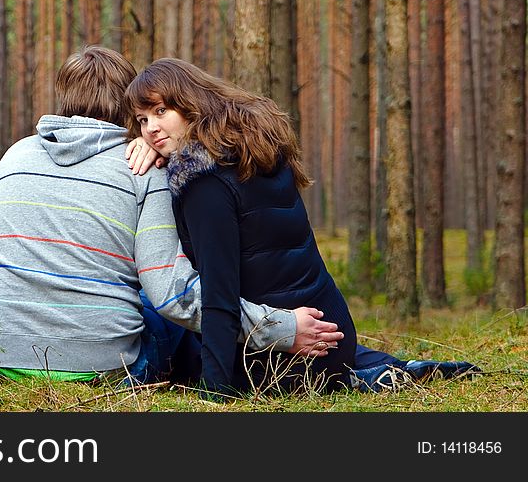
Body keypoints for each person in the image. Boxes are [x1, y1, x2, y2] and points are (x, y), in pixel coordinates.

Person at [0, 47, 345, 389]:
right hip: (108, 371)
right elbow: (174, 297)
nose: (150, 127)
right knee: (149, 304)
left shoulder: (14, 155)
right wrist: (282, 326)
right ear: (128, 106)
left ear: (63, 97)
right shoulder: (145, 170)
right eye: (143, 118)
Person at [125, 58, 480, 397]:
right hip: (334, 334)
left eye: (161, 111)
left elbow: (220, 298)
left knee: (163, 319)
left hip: (282, 360)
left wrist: (214, 391)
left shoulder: (204, 183)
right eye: (142, 120)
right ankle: (388, 368)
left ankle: (361, 376)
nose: (151, 128)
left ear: (191, 103)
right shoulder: (254, 147)